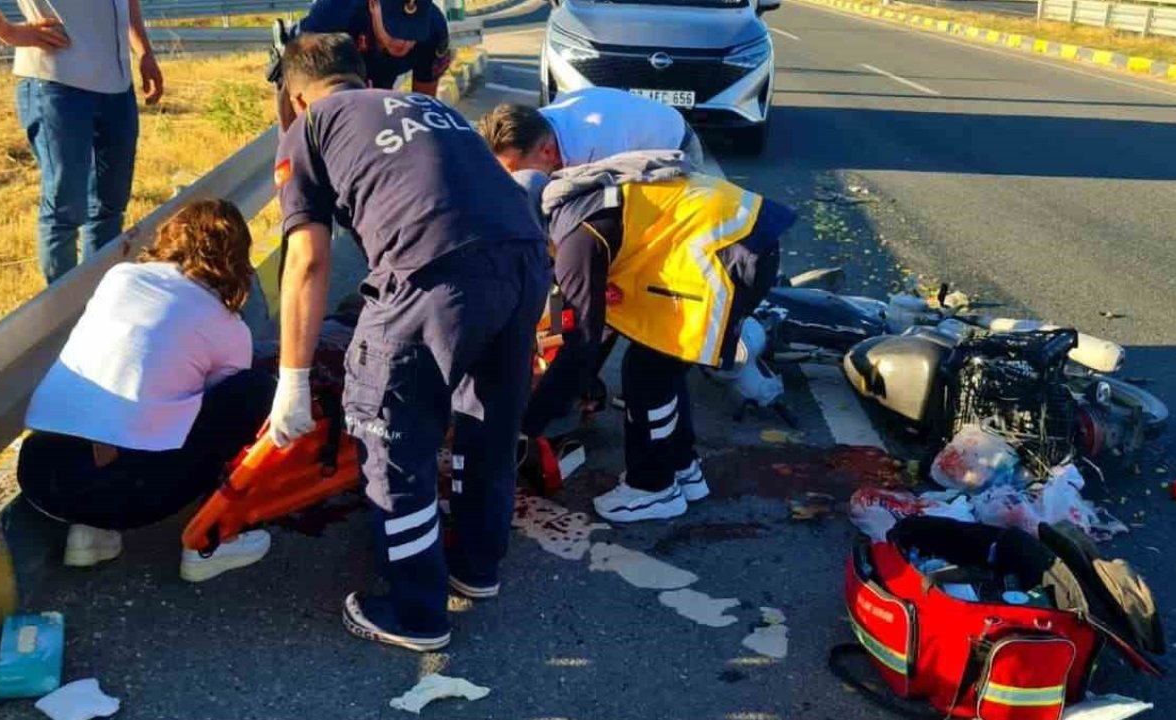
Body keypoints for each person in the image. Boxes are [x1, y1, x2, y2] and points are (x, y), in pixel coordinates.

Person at [269, 33, 549, 652]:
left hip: (434, 277)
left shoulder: (309, 127)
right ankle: (477, 569)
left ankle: (414, 611)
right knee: (487, 428)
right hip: (525, 263)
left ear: (294, 93)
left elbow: (308, 263)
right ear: (360, 74)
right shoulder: (435, 109)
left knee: (390, 441)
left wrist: (290, 382)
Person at [515, 152, 796, 523]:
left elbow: (582, 345)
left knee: (647, 373)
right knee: (660, 365)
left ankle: (652, 488)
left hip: (731, 254)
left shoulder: (577, 237)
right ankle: (682, 466)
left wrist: (525, 427)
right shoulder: (578, 197)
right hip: (743, 239)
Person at [17, 199, 275, 583]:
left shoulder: (120, 277)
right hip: (129, 492)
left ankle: (90, 533)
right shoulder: (228, 327)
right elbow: (219, 413)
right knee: (252, 390)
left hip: (40, 468)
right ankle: (209, 542)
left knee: (119, 412)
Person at [0, 0, 164, 284]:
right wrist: (8, 32)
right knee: (65, 211)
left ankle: (96, 302)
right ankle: (62, 315)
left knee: (110, 207)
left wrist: (144, 52)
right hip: (58, 82)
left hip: (117, 87)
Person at [271, 0, 452, 131]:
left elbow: (423, 105)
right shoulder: (332, 16)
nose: (403, 41)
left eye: (413, 31)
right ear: (373, 5)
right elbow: (297, 87)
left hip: (378, 72)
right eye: (395, 28)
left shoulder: (434, 30)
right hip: (329, 70)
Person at [477, 87, 705, 174]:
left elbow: (612, 212)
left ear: (548, 152)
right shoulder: (537, 127)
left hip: (676, 150)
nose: (510, 179)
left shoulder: (596, 147)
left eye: (514, 171)